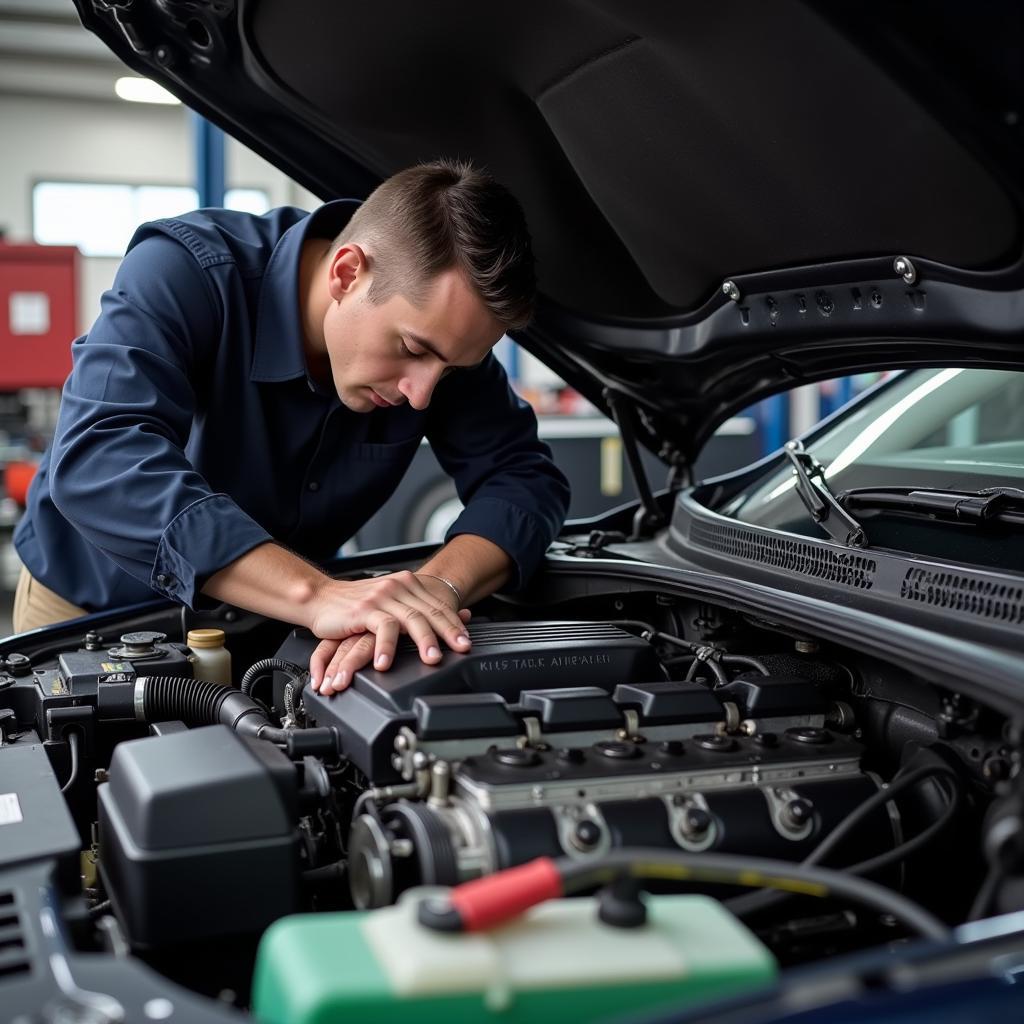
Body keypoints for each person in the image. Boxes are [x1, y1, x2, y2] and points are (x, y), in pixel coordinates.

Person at [13, 160, 570, 693]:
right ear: (347, 273)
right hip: (94, 616)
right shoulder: (186, 272)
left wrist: (435, 589)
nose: (420, 393)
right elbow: (100, 458)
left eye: (450, 369)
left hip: (275, 626)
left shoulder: (439, 343)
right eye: (411, 349)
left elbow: (522, 475)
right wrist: (317, 594)